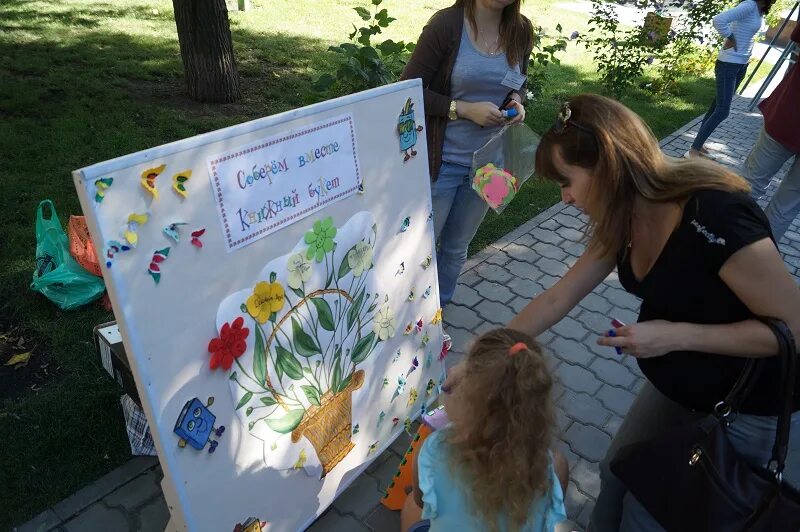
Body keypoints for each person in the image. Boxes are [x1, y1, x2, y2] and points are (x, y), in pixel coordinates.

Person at [502, 94, 800, 531]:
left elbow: (793, 329)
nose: (564, 199)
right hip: (680, 383)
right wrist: (488, 352)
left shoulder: (715, 218)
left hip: (750, 402)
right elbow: (556, 298)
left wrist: (675, 335)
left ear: (608, 167)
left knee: (655, 512)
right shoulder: (622, 215)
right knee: (616, 472)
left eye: (567, 181)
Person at [400, 0, 534, 307]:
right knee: (419, 248)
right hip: (441, 161)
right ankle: (405, 317)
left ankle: (438, 314)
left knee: (458, 247)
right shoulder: (446, 26)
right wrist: (460, 109)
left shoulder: (521, 30)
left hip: (492, 165)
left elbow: (520, 81)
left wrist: (517, 101)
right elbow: (407, 90)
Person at [400, 328, 568, 532]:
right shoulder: (549, 467)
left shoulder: (435, 448)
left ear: (470, 403)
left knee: (411, 503)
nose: (453, 372)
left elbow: (420, 500)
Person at [688, 0, 771, 158]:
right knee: (722, 111)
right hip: (728, 63)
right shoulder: (749, 5)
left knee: (715, 107)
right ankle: (693, 150)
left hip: (741, 64)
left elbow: (747, 34)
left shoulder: (759, 9)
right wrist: (731, 37)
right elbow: (718, 19)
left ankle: (698, 143)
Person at [741, 22, 800, 243]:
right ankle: (753, 259)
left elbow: (796, 38)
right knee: (787, 204)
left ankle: (721, 241)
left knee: (749, 184)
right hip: (789, 113)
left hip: (791, 113)